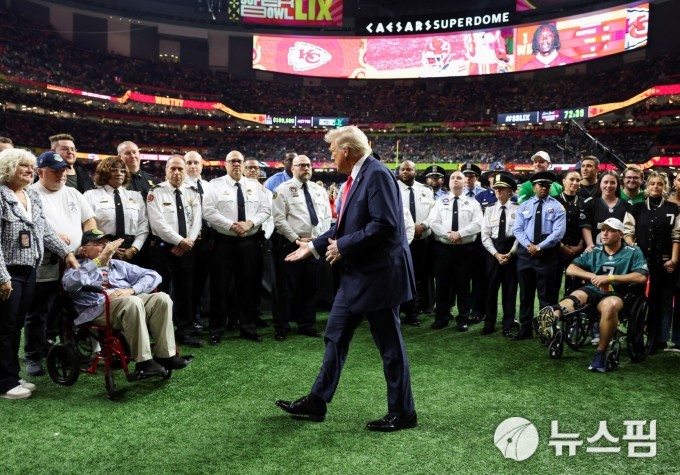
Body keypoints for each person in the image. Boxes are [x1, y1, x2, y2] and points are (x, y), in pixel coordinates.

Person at [276, 126, 417, 432]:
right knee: (335, 336)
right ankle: (318, 400)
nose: (329, 156)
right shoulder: (356, 178)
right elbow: (342, 226)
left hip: (378, 277)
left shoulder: (377, 174)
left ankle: (404, 412)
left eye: (331, 151)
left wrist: (343, 246)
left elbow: (386, 225)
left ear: (347, 151)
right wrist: (313, 246)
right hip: (357, 276)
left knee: (390, 347)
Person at [0, 148, 78, 400]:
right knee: (4, 326)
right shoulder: (1, 196)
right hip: (8, 272)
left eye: (31, 167)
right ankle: (3, 382)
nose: (29, 171)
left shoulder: (30, 196)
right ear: (9, 167)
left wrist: (66, 252)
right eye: (23, 166)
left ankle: (11, 375)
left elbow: (44, 230)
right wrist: (2, 277)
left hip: (29, 270)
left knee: (15, 326)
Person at [62, 231, 189, 379]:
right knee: (132, 302)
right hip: (97, 310)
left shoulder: (118, 265)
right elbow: (70, 285)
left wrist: (132, 289)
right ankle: (144, 362)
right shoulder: (76, 268)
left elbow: (154, 275)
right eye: (99, 244)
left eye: (107, 244)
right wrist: (98, 261)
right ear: (83, 250)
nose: (106, 247)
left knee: (162, 298)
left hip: (125, 303)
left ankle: (165, 356)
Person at [537, 218, 648, 372]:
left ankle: (600, 353)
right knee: (576, 296)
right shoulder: (594, 250)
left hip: (618, 293)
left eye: (610, 230)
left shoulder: (633, 251)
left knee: (609, 306)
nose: (605, 233)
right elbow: (571, 269)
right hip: (594, 289)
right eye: (603, 230)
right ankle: (552, 320)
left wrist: (610, 278)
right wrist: (593, 276)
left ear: (621, 234)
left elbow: (641, 277)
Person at [24, 151, 96, 377]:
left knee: (71, 308)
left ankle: (66, 346)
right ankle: (33, 355)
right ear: (40, 172)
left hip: (74, 261)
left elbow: (89, 220)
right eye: (55, 171)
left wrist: (88, 240)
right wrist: (56, 237)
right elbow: (35, 225)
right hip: (45, 262)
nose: (61, 174)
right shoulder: (30, 193)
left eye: (63, 170)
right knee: (39, 312)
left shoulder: (73, 193)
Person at [202, 151, 271, 344]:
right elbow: (208, 211)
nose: (236, 164)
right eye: (232, 161)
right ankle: (216, 329)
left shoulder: (255, 185)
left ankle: (248, 328)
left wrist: (249, 223)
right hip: (223, 242)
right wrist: (232, 225)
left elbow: (266, 210)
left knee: (248, 287)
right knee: (219, 288)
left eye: (239, 161)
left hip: (249, 242)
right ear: (225, 164)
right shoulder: (215, 185)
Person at [271, 155, 332, 341]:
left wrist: (320, 239)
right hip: (291, 243)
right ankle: (282, 326)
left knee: (311, 286)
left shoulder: (319, 190)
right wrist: (296, 239)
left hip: (314, 244)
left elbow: (327, 217)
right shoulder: (282, 190)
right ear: (293, 168)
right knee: (286, 287)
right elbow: (279, 219)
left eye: (308, 165)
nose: (306, 168)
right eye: (301, 165)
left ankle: (306, 324)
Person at [146, 156, 203, 348]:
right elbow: (157, 224)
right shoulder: (156, 192)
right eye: (173, 169)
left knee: (185, 290)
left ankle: (184, 330)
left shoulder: (193, 192)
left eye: (180, 168)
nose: (177, 172)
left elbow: (197, 221)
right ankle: (161, 332)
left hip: (187, 249)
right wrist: (179, 241)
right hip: (163, 249)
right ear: (166, 171)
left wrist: (188, 242)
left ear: (185, 171)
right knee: (162, 292)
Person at [623, 171, 680, 352]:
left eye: (660, 184)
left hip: (664, 265)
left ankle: (657, 341)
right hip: (641, 264)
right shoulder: (636, 208)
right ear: (647, 186)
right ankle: (636, 338)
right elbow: (628, 233)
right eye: (653, 184)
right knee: (638, 301)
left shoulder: (674, 209)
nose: (656, 187)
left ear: (665, 187)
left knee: (659, 303)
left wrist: (674, 260)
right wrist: (635, 252)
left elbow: (677, 235)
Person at [512, 171, 566, 340]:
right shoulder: (525, 206)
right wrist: (530, 246)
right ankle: (525, 329)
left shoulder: (557, 206)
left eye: (547, 186)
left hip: (547, 255)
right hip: (526, 254)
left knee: (546, 296)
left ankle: (546, 332)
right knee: (525, 295)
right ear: (534, 187)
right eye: (541, 185)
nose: (544, 188)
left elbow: (558, 233)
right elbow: (517, 229)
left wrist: (540, 246)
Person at [427, 171, 483, 332]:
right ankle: (441, 317)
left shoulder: (473, 203)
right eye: (453, 178)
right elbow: (433, 222)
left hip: (466, 251)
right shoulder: (440, 201)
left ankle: (463, 318)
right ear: (448, 183)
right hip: (443, 250)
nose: (455, 180)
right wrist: (449, 235)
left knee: (463, 286)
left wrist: (461, 234)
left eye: (459, 178)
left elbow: (479, 223)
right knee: (442, 285)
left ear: (465, 182)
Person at [84, 156, 148, 263]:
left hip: (131, 250)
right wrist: (107, 248)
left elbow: (143, 225)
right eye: (114, 170)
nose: (119, 173)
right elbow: (88, 228)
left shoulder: (136, 196)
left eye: (123, 171)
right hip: (102, 249)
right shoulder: (90, 195)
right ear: (104, 172)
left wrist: (134, 249)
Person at [480, 174, 519, 336]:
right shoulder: (489, 209)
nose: (497, 191)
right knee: (491, 289)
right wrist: (496, 254)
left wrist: (511, 253)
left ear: (509, 191)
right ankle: (489, 323)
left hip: (512, 250)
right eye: (496, 188)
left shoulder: (518, 209)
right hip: (493, 252)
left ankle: (508, 324)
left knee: (510, 290)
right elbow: (485, 236)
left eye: (501, 188)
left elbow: (519, 235)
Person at [397, 160, 434, 326]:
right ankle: (397, 311)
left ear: (415, 171)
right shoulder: (392, 188)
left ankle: (413, 312)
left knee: (418, 277)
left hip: (422, 239)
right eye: (402, 169)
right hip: (400, 241)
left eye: (409, 169)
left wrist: (423, 226)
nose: (405, 172)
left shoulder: (425, 190)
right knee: (398, 276)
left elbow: (434, 213)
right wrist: (411, 229)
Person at [183, 151, 213, 332]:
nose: (193, 166)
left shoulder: (209, 186)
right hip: (188, 239)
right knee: (187, 282)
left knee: (202, 281)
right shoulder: (181, 186)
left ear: (202, 165)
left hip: (208, 239)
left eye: (196, 163)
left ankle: (197, 316)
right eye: (189, 163)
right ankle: (187, 318)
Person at [581, 171, 631, 252]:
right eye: (605, 182)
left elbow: (628, 229)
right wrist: (590, 245)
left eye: (612, 183)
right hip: (596, 250)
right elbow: (586, 227)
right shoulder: (590, 203)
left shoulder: (626, 205)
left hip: (620, 251)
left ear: (618, 185)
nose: (608, 185)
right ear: (600, 183)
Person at [555, 170, 585, 296]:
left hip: (577, 250)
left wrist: (579, 246)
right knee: (553, 284)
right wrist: (561, 246)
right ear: (564, 181)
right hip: (556, 249)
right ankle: (552, 313)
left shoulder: (585, 202)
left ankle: (572, 314)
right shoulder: (553, 201)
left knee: (575, 286)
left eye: (578, 180)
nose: (575, 182)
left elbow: (587, 226)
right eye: (571, 179)